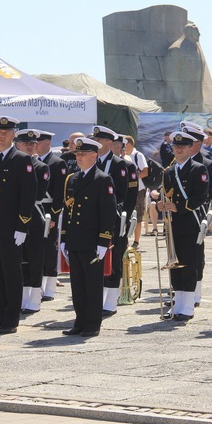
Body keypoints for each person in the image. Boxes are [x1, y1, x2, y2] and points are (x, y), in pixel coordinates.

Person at [0, 116, 36, 335]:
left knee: (11, 273)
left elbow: (27, 195)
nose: (2, 135)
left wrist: (22, 225)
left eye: (6, 131)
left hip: (12, 227)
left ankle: (11, 319)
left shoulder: (22, 159)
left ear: (14, 134)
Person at [61, 137, 117, 337]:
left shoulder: (102, 179)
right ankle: (80, 321)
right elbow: (67, 211)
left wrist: (104, 240)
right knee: (78, 284)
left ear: (94, 155)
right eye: (77, 154)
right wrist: (64, 238)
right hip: (76, 239)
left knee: (92, 284)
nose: (79, 157)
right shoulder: (73, 179)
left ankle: (92, 324)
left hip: (93, 241)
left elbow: (108, 213)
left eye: (83, 154)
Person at [158, 131, 208, 321]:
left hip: (190, 222)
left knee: (188, 263)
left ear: (189, 148)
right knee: (174, 264)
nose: (178, 149)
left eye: (182, 146)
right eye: (175, 147)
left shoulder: (198, 169)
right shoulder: (168, 172)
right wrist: (162, 205)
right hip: (172, 224)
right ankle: (177, 303)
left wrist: (178, 207)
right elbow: (166, 195)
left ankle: (187, 306)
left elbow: (200, 197)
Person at [91, 126, 128, 317]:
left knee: (112, 259)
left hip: (110, 216)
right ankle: (97, 299)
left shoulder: (118, 164)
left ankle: (111, 301)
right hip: (91, 218)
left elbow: (121, 195)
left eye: (100, 140)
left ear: (109, 143)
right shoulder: (91, 161)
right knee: (95, 258)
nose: (96, 142)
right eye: (95, 139)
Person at [182, 124, 212, 306]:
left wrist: (197, 197)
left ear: (198, 143)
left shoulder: (207, 161)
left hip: (197, 212)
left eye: (190, 141)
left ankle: (195, 291)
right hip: (178, 214)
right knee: (179, 251)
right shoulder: (177, 161)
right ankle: (179, 291)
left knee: (196, 253)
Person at [15, 129, 50, 315]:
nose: (29, 146)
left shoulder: (41, 167)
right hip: (15, 214)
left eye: (31, 144)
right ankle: (23, 296)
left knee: (35, 257)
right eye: (25, 143)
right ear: (17, 144)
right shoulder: (13, 164)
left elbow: (38, 193)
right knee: (20, 259)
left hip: (34, 214)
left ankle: (35, 297)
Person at [35, 130, 67, 302]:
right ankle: (38, 284)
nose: (36, 145)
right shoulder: (33, 161)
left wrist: (54, 216)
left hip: (49, 210)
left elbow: (59, 192)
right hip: (37, 208)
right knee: (37, 248)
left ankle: (49, 287)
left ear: (47, 143)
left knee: (49, 248)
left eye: (39, 142)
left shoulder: (57, 163)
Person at [124, 135, 148, 249]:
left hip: (138, 190)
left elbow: (145, 171)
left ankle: (136, 241)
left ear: (129, 144)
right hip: (126, 190)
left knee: (138, 216)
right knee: (127, 215)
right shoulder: (123, 156)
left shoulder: (138, 155)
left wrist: (132, 178)